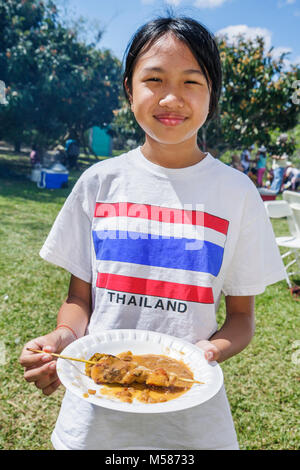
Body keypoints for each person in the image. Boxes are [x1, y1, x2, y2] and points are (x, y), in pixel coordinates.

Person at [19, 16, 286, 451]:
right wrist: (63, 339)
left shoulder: (237, 193)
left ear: (212, 93)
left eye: (191, 82)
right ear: (129, 88)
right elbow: (79, 300)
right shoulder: (99, 182)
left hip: (192, 421)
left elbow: (241, 319)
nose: (171, 97)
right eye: (154, 79)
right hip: (95, 416)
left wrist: (208, 352)